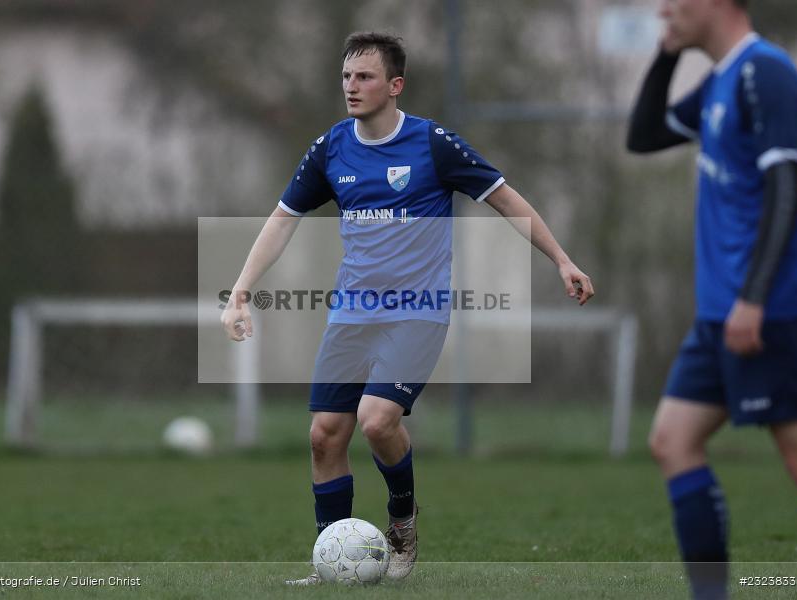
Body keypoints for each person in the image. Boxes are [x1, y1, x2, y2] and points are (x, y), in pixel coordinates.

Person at [221, 31, 594, 585]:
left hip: (418, 311)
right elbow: (282, 220)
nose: (351, 86)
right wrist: (240, 291)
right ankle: (331, 563)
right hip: (352, 312)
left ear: (395, 85)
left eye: (364, 77)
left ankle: (402, 518)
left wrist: (561, 260)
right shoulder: (331, 148)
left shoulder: (433, 144)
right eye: (346, 76)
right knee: (325, 435)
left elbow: (505, 198)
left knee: (376, 421)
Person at [627, 1, 797, 598]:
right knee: (672, 441)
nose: (663, 9)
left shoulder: (766, 72)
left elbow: (788, 186)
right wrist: (666, 54)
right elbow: (643, 136)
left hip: (771, 311)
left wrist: (754, 298)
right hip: (719, 315)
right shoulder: (720, 80)